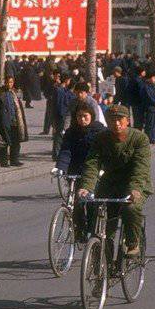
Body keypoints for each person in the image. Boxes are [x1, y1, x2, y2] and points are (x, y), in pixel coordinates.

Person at [77, 104, 152, 258]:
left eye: (120, 119)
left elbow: (141, 168)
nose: (116, 123)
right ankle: (104, 254)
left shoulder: (139, 138)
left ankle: (133, 242)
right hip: (110, 183)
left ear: (128, 121)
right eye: (112, 120)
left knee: (130, 209)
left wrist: (135, 189)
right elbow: (92, 164)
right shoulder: (101, 138)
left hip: (135, 184)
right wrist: (86, 187)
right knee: (98, 212)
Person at [54, 101, 107, 241]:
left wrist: (102, 169)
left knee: (90, 202)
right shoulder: (71, 132)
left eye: (85, 116)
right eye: (79, 116)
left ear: (92, 116)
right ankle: (79, 230)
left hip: (94, 171)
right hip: (75, 171)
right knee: (76, 202)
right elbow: (66, 151)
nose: (82, 119)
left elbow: (103, 153)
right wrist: (60, 168)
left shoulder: (99, 131)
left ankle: (91, 231)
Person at [0, 75, 28, 167]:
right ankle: (4, 161)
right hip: (3, 122)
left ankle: (14, 160)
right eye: (8, 82)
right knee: (3, 143)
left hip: (15, 121)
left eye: (11, 82)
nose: (10, 84)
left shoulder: (14, 93)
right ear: (5, 82)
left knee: (16, 142)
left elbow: (18, 108)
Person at [141, 70, 155, 144]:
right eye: (153, 78)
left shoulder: (154, 86)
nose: (154, 79)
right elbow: (149, 97)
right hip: (150, 107)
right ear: (149, 78)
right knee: (150, 124)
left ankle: (154, 137)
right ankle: (149, 138)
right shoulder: (146, 86)